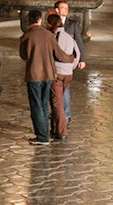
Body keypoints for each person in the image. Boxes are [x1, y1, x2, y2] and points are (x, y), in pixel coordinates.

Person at [19, 9, 74, 145]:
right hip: (49, 74)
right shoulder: (49, 35)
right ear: (40, 20)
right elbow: (60, 54)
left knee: (36, 105)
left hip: (34, 75)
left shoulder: (26, 36)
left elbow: (23, 56)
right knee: (44, 104)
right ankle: (45, 132)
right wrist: (71, 58)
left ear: (29, 21)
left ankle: (42, 136)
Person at [47, 13, 80, 141]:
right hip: (68, 73)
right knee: (58, 100)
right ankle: (55, 129)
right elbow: (77, 53)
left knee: (57, 103)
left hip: (57, 73)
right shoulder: (69, 37)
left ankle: (61, 131)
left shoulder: (53, 38)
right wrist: (71, 67)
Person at [54, 0, 87, 121]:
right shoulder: (51, 23)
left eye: (67, 8)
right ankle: (57, 111)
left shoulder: (72, 24)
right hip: (55, 62)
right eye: (63, 8)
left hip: (67, 62)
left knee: (65, 88)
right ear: (57, 10)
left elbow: (79, 42)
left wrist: (82, 59)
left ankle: (66, 113)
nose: (65, 10)